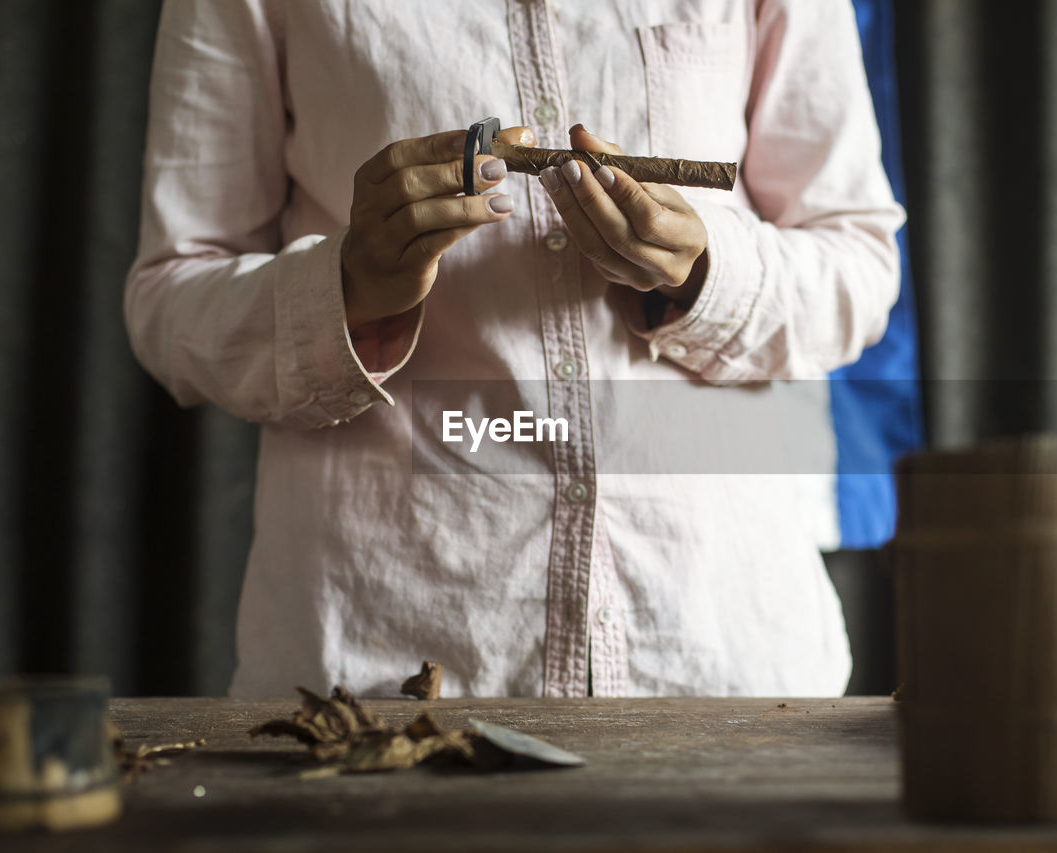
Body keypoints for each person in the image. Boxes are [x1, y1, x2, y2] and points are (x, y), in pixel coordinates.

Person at [125, 0, 905, 698]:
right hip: (385, 675)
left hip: (722, 662)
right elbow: (170, 297)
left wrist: (705, 271)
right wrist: (353, 288)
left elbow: (858, 264)